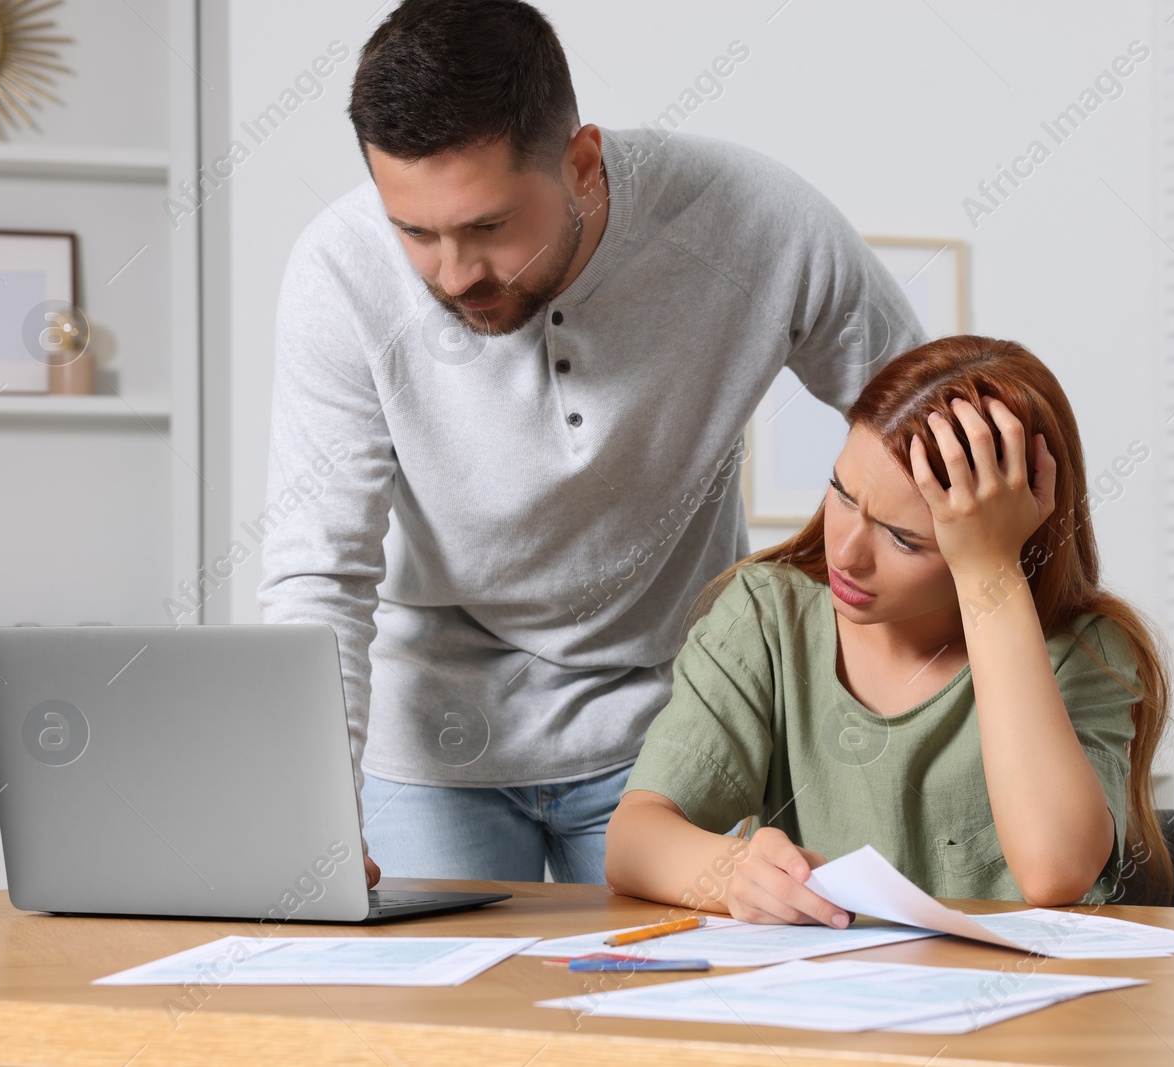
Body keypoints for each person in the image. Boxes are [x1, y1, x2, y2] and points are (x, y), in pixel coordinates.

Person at [256, 0, 924, 886]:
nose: (452, 275)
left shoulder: (756, 223)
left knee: (672, 1016)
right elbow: (319, 572)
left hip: (674, 732)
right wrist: (307, 817)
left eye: (489, 227)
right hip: (437, 740)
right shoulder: (338, 270)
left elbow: (923, 433)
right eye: (415, 231)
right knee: (432, 1024)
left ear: (581, 162)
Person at [604, 335, 1174, 922]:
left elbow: (1054, 872)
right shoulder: (765, 617)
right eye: (843, 495)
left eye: (904, 539)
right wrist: (731, 872)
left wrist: (989, 573)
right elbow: (631, 843)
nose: (846, 554)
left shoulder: (1084, 653)